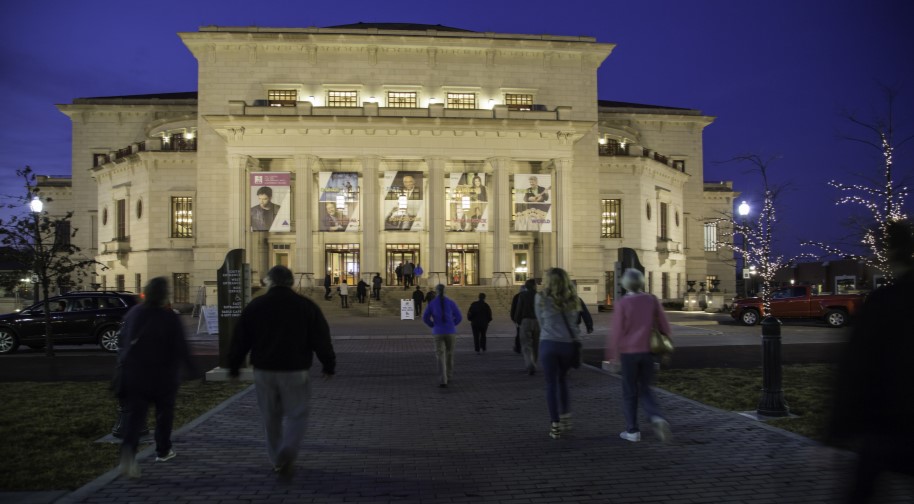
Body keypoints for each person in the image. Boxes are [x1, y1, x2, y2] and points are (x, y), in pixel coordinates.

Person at [828, 220, 914, 503]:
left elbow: (855, 368)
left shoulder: (884, 301)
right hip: (892, 421)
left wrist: (836, 431)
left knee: (863, 490)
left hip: (886, 423)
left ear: (890, 252)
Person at [228, 265, 336, 479]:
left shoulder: (256, 305)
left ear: (269, 281)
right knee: (297, 414)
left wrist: (233, 366)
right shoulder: (306, 305)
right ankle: (289, 448)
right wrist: (328, 364)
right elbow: (321, 337)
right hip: (295, 370)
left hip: (264, 370)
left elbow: (241, 339)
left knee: (270, 417)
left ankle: (277, 459)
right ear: (291, 282)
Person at [117, 277, 194, 478]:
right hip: (163, 376)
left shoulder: (133, 313)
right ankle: (163, 450)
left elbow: (122, 340)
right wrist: (193, 371)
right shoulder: (169, 317)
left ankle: (129, 454)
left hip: (135, 375)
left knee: (135, 417)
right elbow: (181, 347)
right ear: (163, 295)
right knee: (164, 415)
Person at [606, 268, 673, 443]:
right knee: (645, 388)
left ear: (625, 283)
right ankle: (657, 417)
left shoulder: (622, 303)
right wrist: (666, 347)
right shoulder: (652, 300)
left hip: (629, 353)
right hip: (648, 351)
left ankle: (633, 430)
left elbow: (617, 331)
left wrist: (613, 355)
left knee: (629, 391)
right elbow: (664, 325)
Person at [535, 268, 581, 439]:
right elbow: (575, 322)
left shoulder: (540, 297)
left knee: (550, 384)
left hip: (548, 343)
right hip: (567, 345)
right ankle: (566, 416)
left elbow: (540, 320)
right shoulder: (573, 298)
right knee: (562, 381)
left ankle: (555, 424)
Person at [422, 284, 462, 388]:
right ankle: (448, 375)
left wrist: (432, 324)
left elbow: (425, 317)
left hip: (438, 331)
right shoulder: (450, 302)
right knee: (450, 354)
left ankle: (443, 379)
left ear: (436, 291)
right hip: (450, 331)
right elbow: (459, 317)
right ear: (444, 291)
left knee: (440, 355)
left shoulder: (432, 303)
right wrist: (452, 324)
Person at [512, 279, 540, 375]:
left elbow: (519, 309)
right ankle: (534, 363)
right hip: (537, 321)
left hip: (526, 321)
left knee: (526, 345)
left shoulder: (523, 295)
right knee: (536, 345)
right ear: (534, 286)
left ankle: (529, 364)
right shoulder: (539, 295)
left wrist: (517, 320)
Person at [510, 285, 525, 354]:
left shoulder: (517, 296)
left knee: (519, 333)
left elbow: (513, 308)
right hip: (525, 318)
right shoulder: (528, 296)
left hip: (519, 319)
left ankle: (518, 348)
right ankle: (521, 347)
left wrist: (513, 318)